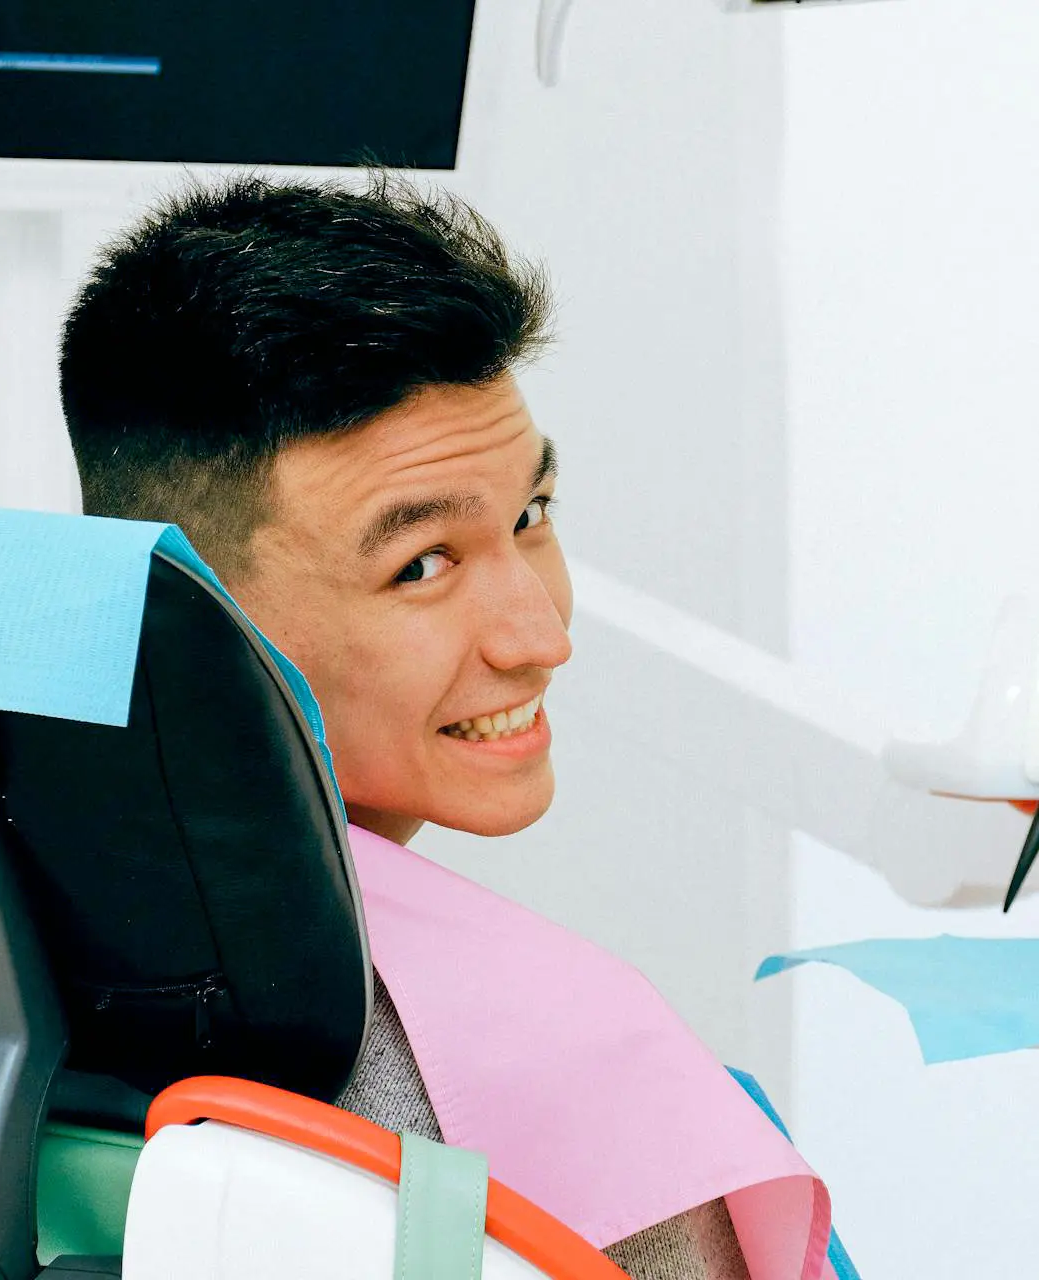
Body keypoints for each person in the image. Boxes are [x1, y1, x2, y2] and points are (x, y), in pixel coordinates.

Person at [60, 174, 844, 1280]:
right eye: (419, 564)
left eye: (530, 515)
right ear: (199, 622)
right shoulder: (568, 1064)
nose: (538, 634)